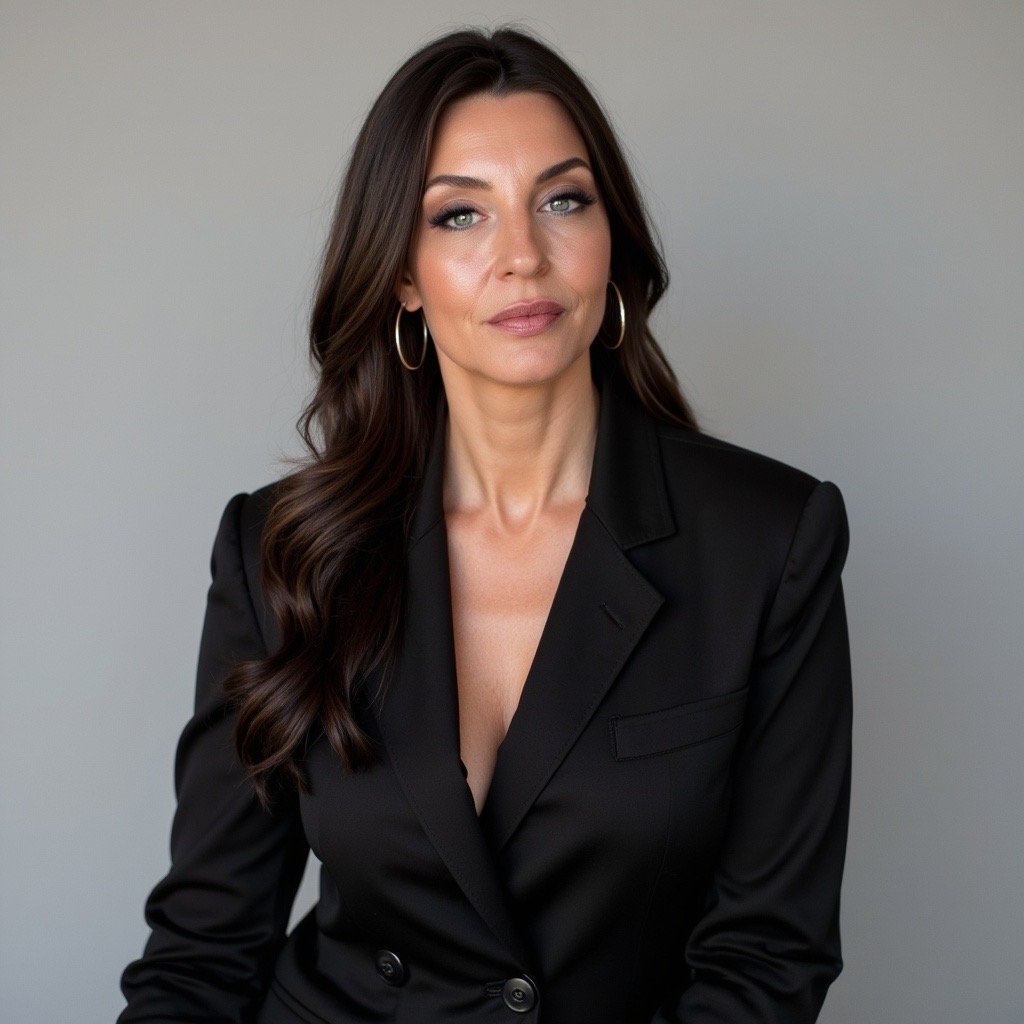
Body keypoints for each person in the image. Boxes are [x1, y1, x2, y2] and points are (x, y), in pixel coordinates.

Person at [118, 26, 852, 1024]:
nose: (523, 256)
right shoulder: (282, 552)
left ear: (611, 239)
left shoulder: (768, 542)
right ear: (402, 275)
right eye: (460, 214)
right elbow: (204, 950)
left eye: (563, 200)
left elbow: (767, 958)